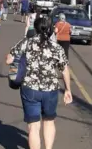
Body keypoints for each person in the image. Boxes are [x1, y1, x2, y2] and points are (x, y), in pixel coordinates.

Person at [6, 17, 72, 149]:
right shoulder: (56, 47)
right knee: (49, 122)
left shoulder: (27, 43)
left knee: (33, 126)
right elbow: (64, 69)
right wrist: (68, 90)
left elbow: (9, 60)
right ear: (50, 30)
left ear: (35, 29)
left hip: (30, 89)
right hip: (51, 90)